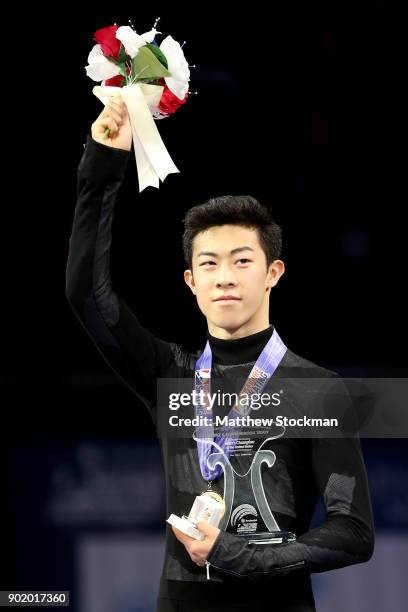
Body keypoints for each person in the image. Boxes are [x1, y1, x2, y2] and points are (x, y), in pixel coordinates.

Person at [66, 97, 374, 611]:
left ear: (273, 272)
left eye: (242, 260)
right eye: (208, 263)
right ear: (191, 282)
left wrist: (244, 557)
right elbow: (85, 295)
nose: (225, 276)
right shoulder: (169, 375)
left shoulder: (319, 390)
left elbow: (353, 531)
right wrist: (102, 165)